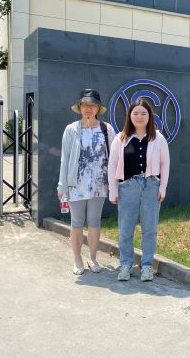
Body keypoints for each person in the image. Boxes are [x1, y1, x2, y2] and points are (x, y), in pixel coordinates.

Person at [108, 98, 170, 282]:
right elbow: (112, 165)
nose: (139, 116)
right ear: (129, 116)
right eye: (135, 113)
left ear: (150, 116)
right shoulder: (121, 138)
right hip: (127, 187)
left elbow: (165, 163)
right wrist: (113, 190)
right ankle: (126, 264)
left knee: (149, 229)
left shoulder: (158, 138)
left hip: (151, 186)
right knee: (125, 229)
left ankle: (147, 266)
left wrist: (163, 187)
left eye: (144, 113)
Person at [58, 89, 116, 275]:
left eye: (92, 105)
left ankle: (93, 257)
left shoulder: (106, 129)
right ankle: (77, 258)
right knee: (76, 222)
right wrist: (62, 186)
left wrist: (114, 184)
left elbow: (114, 158)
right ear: (80, 107)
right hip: (76, 184)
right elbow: (65, 159)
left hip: (99, 184)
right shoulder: (72, 129)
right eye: (85, 105)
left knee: (94, 221)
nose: (88, 108)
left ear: (98, 108)